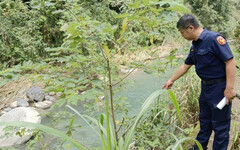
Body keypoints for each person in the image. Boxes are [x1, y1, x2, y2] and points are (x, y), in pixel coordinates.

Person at [162, 14, 236, 150]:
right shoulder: (195, 45)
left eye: (182, 32)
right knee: (205, 122)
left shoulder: (214, 39)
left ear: (190, 28)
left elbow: (230, 62)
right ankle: (199, 147)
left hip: (219, 89)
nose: (182, 36)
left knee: (220, 126)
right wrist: (171, 80)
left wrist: (229, 89)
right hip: (206, 89)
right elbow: (186, 65)